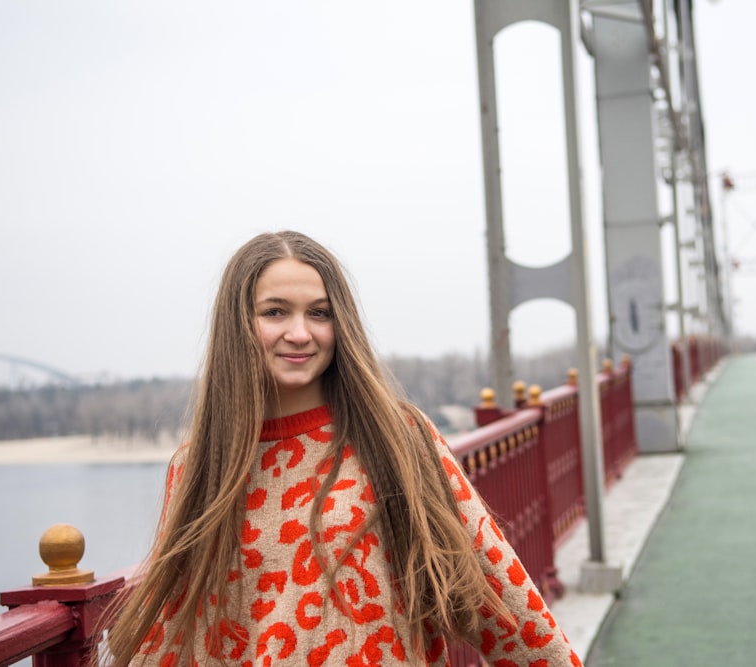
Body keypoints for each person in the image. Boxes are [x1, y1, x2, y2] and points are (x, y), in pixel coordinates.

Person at [103, 231, 582, 666]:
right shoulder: (197, 467)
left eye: (319, 313)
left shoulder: (398, 437)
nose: (299, 333)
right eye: (275, 312)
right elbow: (170, 631)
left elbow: (498, 593)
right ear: (240, 325)